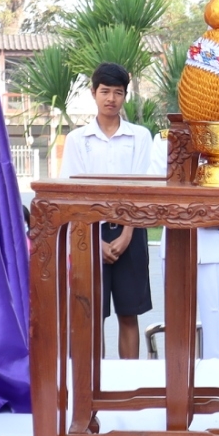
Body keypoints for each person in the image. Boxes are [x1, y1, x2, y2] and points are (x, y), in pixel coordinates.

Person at [58, 62, 157, 360]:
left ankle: (128, 387)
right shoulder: (78, 139)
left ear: (125, 96)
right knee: (92, 315)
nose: (111, 98)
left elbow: (142, 188)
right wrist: (92, 238)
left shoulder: (140, 136)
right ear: (93, 93)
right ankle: (94, 389)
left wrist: (127, 234)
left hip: (131, 232)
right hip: (89, 234)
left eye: (118, 92)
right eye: (105, 91)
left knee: (129, 314)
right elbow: (73, 193)